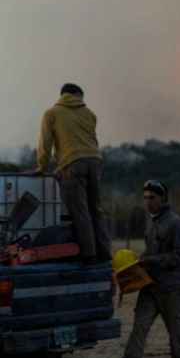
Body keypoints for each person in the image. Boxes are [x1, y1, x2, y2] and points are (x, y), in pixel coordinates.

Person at [114, 180, 180, 358]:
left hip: (172, 288)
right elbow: (151, 252)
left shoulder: (176, 223)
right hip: (150, 286)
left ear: (163, 199)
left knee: (176, 333)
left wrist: (149, 261)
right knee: (138, 329)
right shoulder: (151, 222)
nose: (148, 202)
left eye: (152, 198)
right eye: (145, 198)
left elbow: (178, 257)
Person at [29, 83, 110, 264]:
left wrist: (41, 167)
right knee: (96, 210)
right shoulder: (89, 114)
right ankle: (105, 254)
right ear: (78, 95)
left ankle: (89, 255)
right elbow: (92, 140)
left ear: (62, 95)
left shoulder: (52, 113)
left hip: (73, 164)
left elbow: (46, 144)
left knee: (80, 211)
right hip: (96, 161)